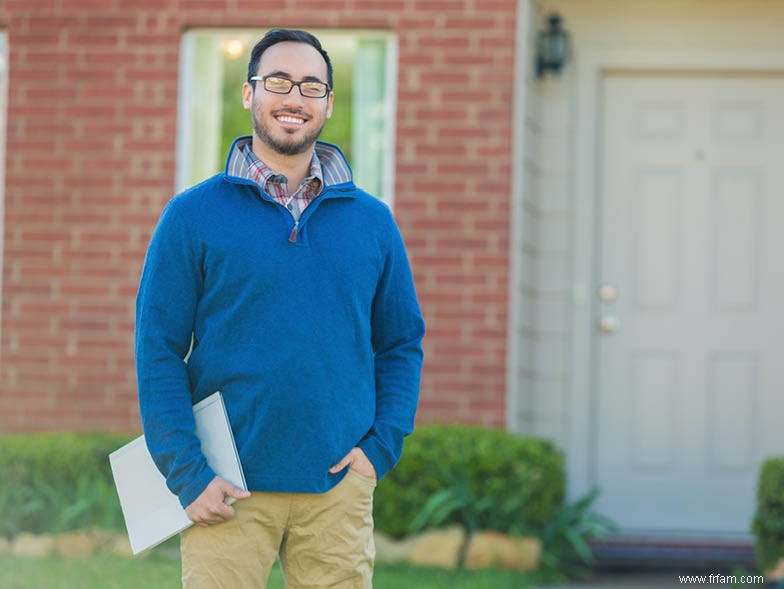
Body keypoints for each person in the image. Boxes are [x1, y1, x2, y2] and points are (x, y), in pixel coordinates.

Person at [134, 28, 425, 588]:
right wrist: (188, 474)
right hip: (225, 487)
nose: (295, 97)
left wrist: (380, 447)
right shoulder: (191, 216)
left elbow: (400, 343)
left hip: (337, 488)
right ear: (249, 94)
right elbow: (158, 350)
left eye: (311, 85)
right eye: (278, 82)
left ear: (329, 103)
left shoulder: (373, 222)